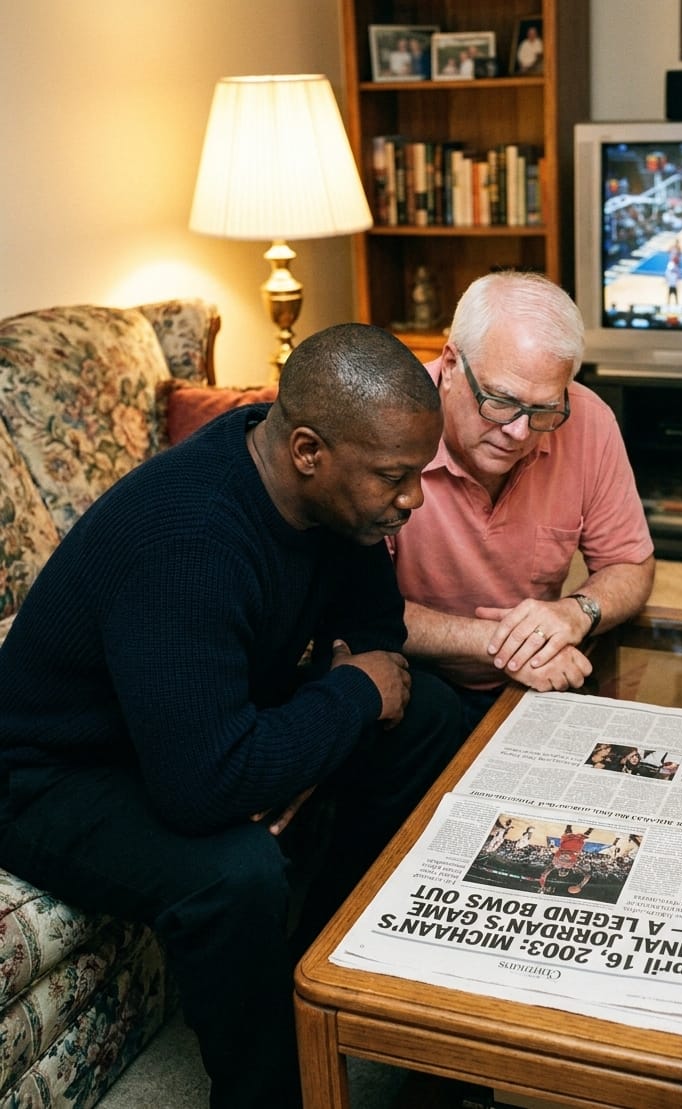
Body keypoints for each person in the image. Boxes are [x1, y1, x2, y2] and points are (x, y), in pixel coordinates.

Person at [0, 323, 464, 1109]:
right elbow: (203, 786)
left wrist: (301, 750)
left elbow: (379, 640)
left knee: (432, 718)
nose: (413, 497)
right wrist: (336, 707)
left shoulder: (336, 503)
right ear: (309, 450)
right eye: (395, 476)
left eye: (418, 472)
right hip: (49, 773)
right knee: (233, 870)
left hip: (187, 726)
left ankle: (315, 968)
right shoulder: (191, 539)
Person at [387, 271, 655, 733]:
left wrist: (578, 611)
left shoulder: (588, 421)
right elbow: (361, 611)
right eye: (500, 401)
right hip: (414, 679)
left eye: (544, 410)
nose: (519, 432)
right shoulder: (384, 429)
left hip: (539, 674)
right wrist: (504, 641)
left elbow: (630, 565)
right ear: (451, 364)